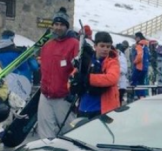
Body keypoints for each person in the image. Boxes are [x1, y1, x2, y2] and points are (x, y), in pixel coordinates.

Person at [38, 10, 80, 138]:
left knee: (68, 129)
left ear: (66, 26)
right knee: (45, 128)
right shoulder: (47, 45)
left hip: (63, 95)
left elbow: (77, 67)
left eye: (62, 25)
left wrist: (73, 87)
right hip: (46, 94)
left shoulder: (74, 43)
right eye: (56, 24)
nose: (58, 27)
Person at [75, 32, 120, 118]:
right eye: (102, 46)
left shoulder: (112, 61)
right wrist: (72, 83)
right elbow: (75, 74)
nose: (105, 49)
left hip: (103, 108)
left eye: (108, 46)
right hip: (83, 106)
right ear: (95, 46)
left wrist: (88, 79)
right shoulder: (86, 60)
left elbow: (112, 78)